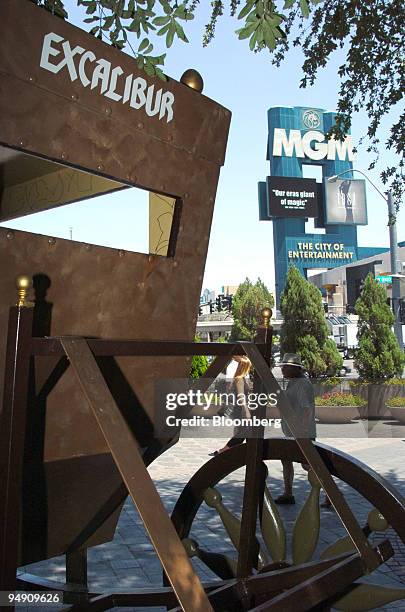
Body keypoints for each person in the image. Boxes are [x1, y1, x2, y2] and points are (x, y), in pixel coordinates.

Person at [274, 353, 316, 505]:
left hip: (301, 432)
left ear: (294, 368)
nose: (283, 369)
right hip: (292, 431)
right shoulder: (293, 382)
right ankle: (288, 492)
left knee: (308, 464)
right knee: (286, 458)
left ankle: (330, 494)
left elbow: (306, 409)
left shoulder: (301, 384)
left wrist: (303, 431)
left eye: (285, 367)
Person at [209, 355, 252, 455]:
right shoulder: (239, 379)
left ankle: (234, 451)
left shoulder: (239, 378)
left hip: (238, 408)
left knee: (242, 431)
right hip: (240, 409)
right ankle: (224, 450)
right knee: (244, 431)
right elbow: (241, 396)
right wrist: (246, 411)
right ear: (245, 367)